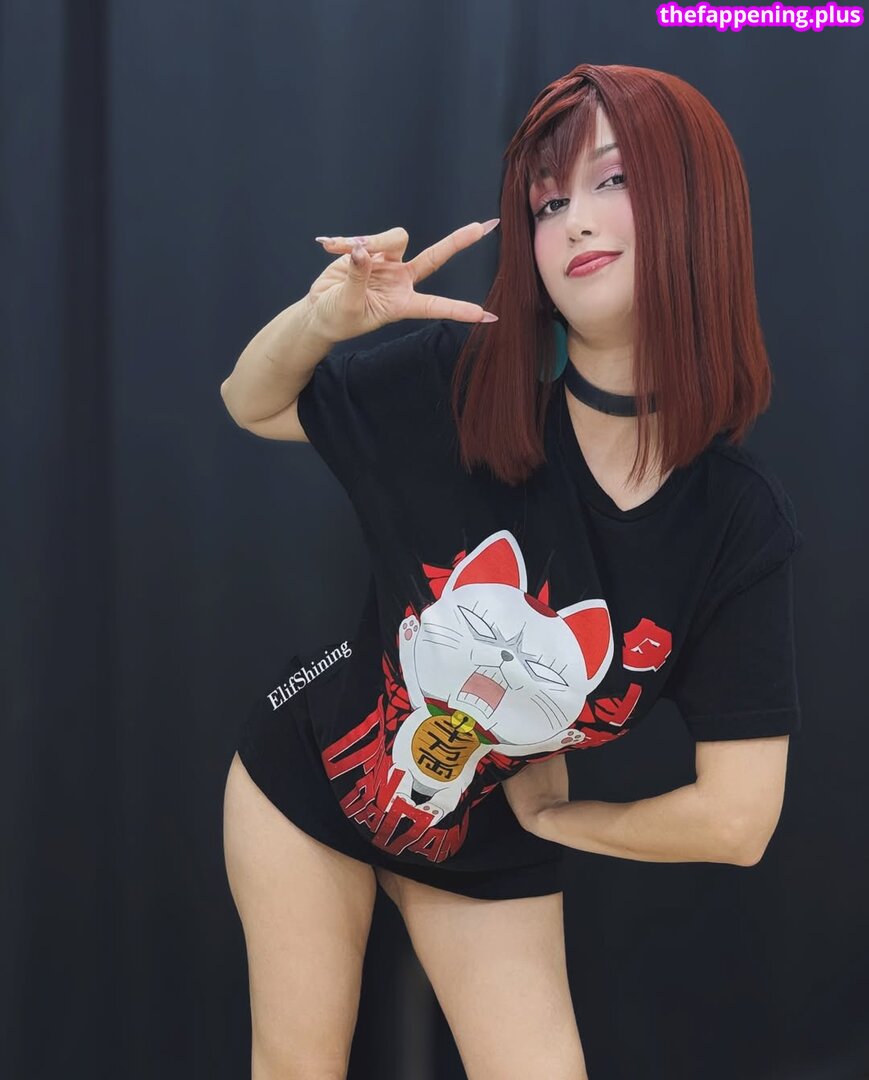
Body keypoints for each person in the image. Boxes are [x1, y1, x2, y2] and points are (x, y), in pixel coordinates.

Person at [220, 63, 804, 1080]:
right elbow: (250, 402)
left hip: (487, 834)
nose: (574, 221)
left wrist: (557, 820)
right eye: (547, 202)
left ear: (698, 206)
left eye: (612, 181)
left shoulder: (731, 523)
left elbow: (737, 820)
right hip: (311, 774)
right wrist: (324, 322)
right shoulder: (464, 385)